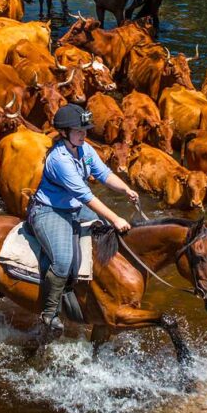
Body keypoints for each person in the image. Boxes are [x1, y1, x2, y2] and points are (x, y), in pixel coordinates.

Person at [28, 104, 137, 335]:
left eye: (85, 129)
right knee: (63, 259)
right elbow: (86, 196)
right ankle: (49, 313)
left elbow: (104, 174)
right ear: (65, 132)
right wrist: (116, 217)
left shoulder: (84, 148)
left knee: (108, 234)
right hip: (50, 211)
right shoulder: (59, 159)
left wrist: (125, 189)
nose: (84, 134)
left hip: (74, 208)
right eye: (79, 130)